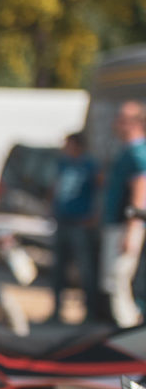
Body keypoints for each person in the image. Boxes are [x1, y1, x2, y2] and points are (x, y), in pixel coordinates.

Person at [99, 100, 146, 327]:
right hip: (118, 225)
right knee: (114, 280)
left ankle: (128, 329)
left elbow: (140, 189)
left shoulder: (138, 152)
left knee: (119, 278)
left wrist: (133, 229)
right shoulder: (127, 151)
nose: (115, 124)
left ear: (134, 123)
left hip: (125, 227)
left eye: (121, 119)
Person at [49, 132, 99, 322]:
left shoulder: (90, 165)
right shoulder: (62, 164)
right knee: (58, 269)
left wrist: (94, 216)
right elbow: (55, 187)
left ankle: (91, 314)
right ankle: (56, 312)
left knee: (85, 270)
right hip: (63, 221)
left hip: (81, 224)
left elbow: (99, 191)